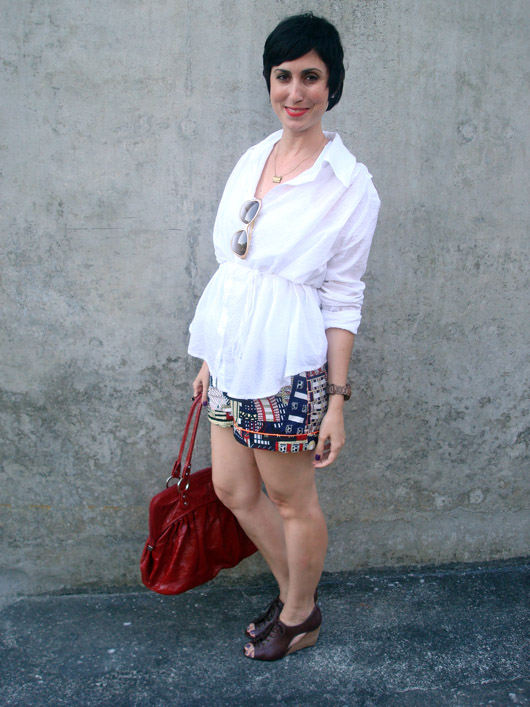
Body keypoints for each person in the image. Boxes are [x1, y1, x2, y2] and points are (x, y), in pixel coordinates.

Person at [188, 12, 380, 661]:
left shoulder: (349, 185)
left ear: (332, 85)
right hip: (231, 357)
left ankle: (299, 616)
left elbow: (344, 297)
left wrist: (337, 400)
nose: (295, 92)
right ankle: (296, 592)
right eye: (283, 76)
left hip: (287, 369)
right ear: (269, 82)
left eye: (311, 77)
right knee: (232, 488)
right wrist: (211, 357)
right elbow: (234, 268)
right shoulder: (255, 156)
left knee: (291, 498)